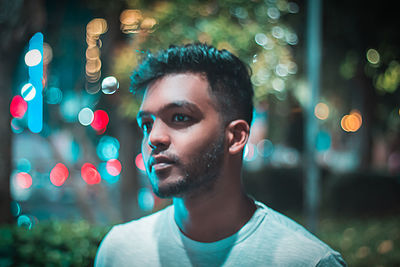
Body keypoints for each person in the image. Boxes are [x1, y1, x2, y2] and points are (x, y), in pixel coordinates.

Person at [95, 43, 347, 266]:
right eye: (147, 124)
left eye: (180, 117)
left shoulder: (306, 261)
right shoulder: (119, 251)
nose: (154, 138)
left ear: (236, 137)